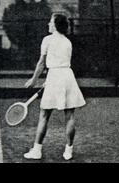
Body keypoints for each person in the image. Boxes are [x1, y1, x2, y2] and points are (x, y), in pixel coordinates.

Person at [23, 14, 86, 160]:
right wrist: (48, 80)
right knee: (70, 116)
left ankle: (37, 150)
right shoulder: (68, 42)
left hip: (55, 76)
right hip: (67, 77)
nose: (48, 24)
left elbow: (41, 64)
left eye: (50, 22)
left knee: (44, 116)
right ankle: (68, 150)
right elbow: (61, 63)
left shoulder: (47, 40)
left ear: (56, 25)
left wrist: (33, 80)